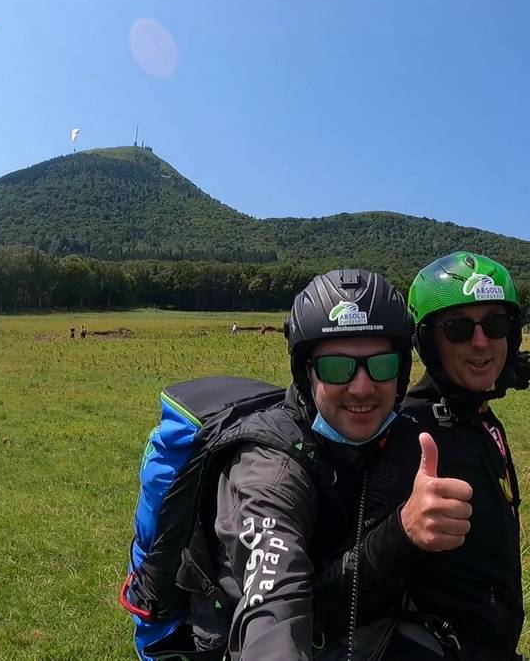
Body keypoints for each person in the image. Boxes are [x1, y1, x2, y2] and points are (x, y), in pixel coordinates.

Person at [168, 268, 422, 660]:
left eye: (382, 365)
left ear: (402, 372)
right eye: (337, 368)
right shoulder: (270, 471)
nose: (362, 387)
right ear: (306, 374)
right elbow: (274, 595)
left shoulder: (395, 437)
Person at [366, 251, 530, 659]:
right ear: (429, 342)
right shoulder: (407, 432)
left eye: (496, 325)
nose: (481, 342)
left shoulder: (479, 417)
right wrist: (402, 531)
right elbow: (351, 590)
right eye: (458, 329)